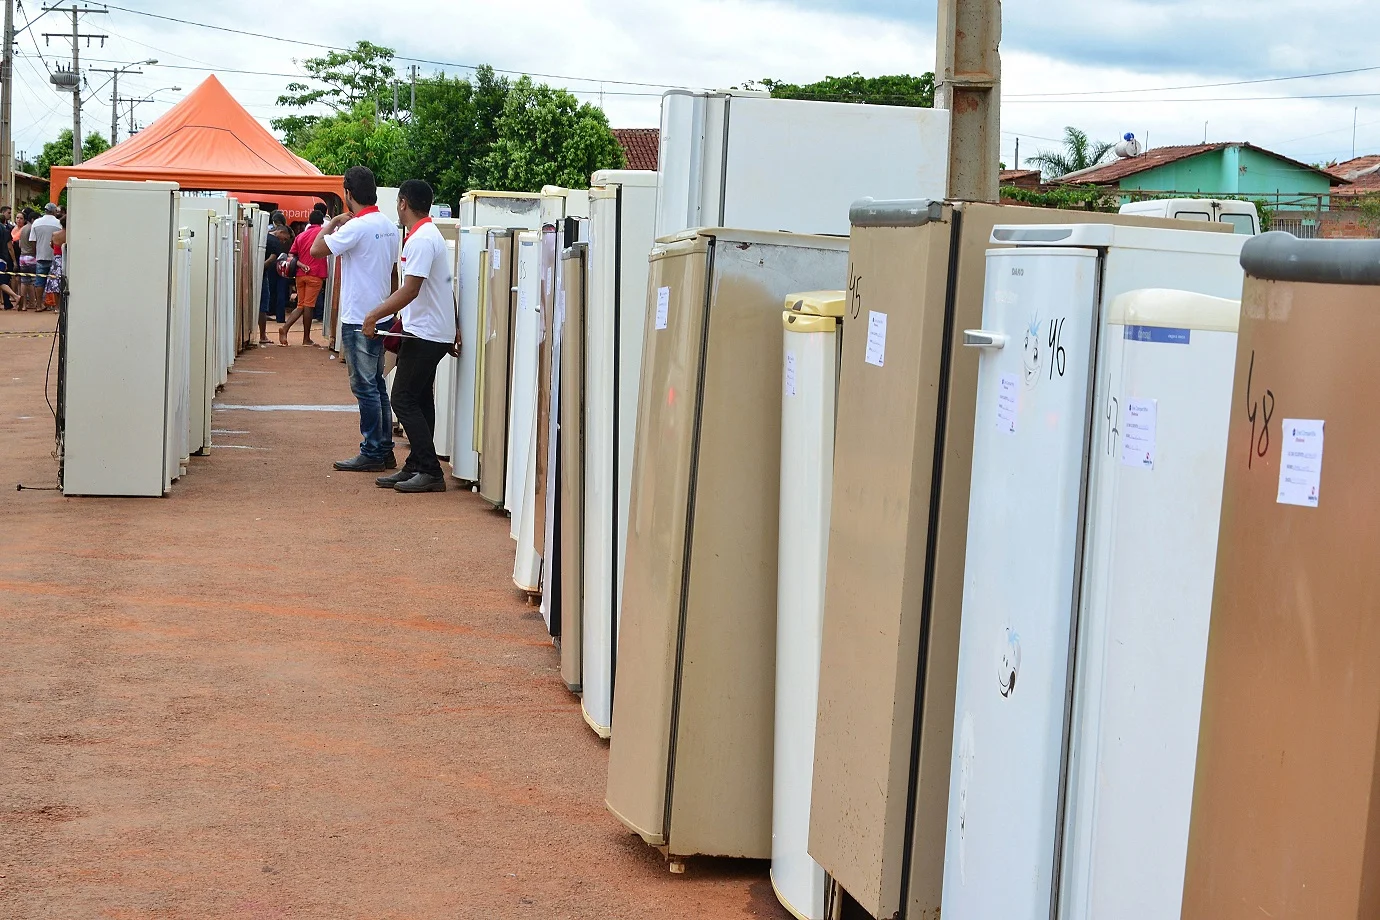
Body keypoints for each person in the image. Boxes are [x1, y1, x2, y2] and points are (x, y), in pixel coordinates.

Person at [361, 179, 457, 493]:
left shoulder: (421, 239)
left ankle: (429, 469)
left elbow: (411, 289)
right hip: (430, 331)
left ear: (403, 202)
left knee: (401, 397)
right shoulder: (429, 235)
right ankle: (417, 465)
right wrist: (453, 326)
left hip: (426, 333)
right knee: (418, 398)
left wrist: (375, 315)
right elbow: (444, 285)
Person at [314, 166, 400, 473]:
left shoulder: (355, 227)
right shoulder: (389, 225)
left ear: (348, 194)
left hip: (359, 318)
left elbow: (316, 249)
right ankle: (383, 448)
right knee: (377, 385)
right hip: (383, 314)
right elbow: (393, 273)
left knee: (365, 387)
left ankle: (373, 450)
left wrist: (333, 222)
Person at [279, 209, 328, 345]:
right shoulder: (323, 233)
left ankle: (286, 329)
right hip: (315, 274)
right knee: (308, 306)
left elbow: (291, 255)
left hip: (300, 274)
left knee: (301, 305)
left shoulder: (301, 236)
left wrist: (301, 264)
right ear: (322, 221)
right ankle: (305, 338)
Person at [257, 211, 293, 346]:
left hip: (253, 272)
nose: (284, 241)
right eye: (284, 238)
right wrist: (259, 270)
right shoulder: (276, 244)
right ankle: (262, 335)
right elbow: (271, 259)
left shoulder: (263, 235)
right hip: (262, 275)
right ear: (280, 231)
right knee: (263, 304)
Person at [29, 203, 61, 312]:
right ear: (54, 211)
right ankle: (56, 306)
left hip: (41, 256)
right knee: (55, 282)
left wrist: (36, 253)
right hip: (55, 257)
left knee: (39, 282)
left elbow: (32, 241)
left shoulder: (36, 223)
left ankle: (39, 305)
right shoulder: (58, 223)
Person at [15, 207, 38, 310]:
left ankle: (23, 305)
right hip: (31, 256)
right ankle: (33, 302)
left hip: (22, 256)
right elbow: (34, 242)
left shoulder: (23, 229)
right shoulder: (32, 228)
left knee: (24, 281)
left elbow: (19, 245)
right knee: (33, 281)